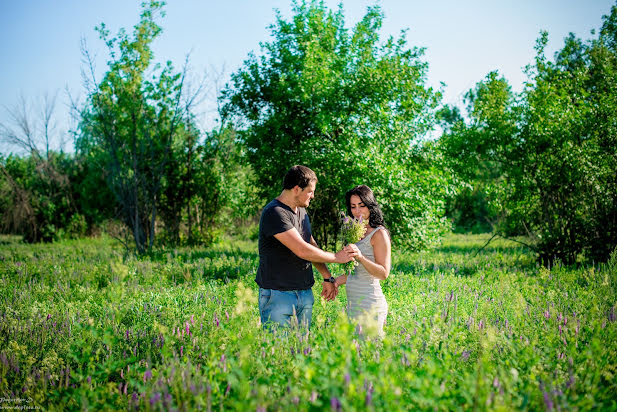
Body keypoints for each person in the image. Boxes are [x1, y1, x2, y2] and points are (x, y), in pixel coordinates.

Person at [256, 165, 357, 330]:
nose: (313, 196)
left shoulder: (301, 211)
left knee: (302, 350)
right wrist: (336, 257)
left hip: (304, 293)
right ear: (296, 189)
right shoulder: (274, 213)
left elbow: (310, 245)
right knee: (280, 352)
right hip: (279, 296)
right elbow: (301, 249)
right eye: (310, 191)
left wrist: (327, 276)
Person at [333, 185, 391, 337]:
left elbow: (383, 273)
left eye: (362, 206)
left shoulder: (379, 234)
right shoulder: (354, 232)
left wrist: (361, 257)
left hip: (370, 304)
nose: (357, 211)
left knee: (370, 356)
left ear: (370, 206)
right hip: (353, 305)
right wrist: (336, 281)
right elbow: (358, 273)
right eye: (353, 207)